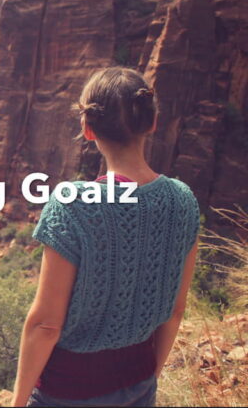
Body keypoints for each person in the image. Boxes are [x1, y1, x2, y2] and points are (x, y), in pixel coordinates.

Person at [11, 67, 200, 407]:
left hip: (68, 390)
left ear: (87, 128)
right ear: (152, 123)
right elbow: (175, 311)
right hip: (139, 381)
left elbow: (45, 326)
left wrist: (17, 402)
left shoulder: (74, 204)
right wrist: (146, 379)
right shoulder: (182, 200)